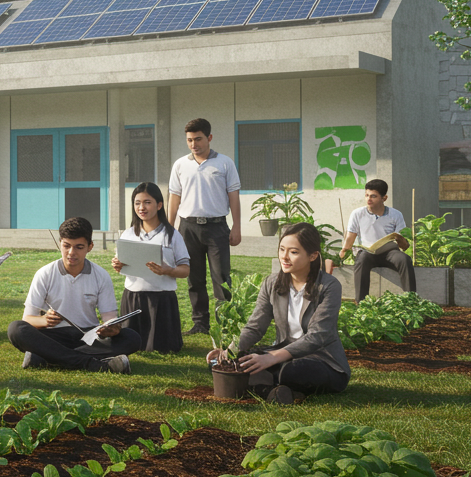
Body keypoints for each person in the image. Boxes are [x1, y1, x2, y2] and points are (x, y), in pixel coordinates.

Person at [207, 222, 350, 404]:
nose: (285, 257)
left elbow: (317, 336)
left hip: (320, 360)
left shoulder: (329, 286)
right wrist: (230, 352)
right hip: (280, 355)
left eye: (294, 252)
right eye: (282, 249)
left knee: (291, 371)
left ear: (313, 255)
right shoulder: (272, 283)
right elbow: (255, 327)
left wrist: (271, 358)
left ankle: (264, 386)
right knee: (231, 363)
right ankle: (274, 392)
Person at [8, 217, 141, 373]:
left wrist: (112, 328)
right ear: (60, 244)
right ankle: (94, 364)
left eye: (79, 247)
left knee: (131, 338)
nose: (71, 253)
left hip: (88, 336)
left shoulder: (101, 275)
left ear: (89, 247)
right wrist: (44, 320)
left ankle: (47, 357)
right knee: (16, 328)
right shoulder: (44, 274)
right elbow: (28, 319)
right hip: (53, 336)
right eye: (66, 246)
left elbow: (109, 316)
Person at [166, 118, 242, 335]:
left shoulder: (225, 163)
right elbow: (174, 197)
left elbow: (233, 197)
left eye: (198, 139)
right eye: (189, 140)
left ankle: (224, 324)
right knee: (194, 278)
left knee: (221, 278)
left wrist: (236, 227)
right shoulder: (180, 165)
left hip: (217, 228)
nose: (193, 144)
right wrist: (170, 229)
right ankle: (200, 323)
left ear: (209, 138)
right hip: (187, 228)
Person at [111, 182, 191, 353]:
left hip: (162, 300)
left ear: (159, 205)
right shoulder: (128, 234)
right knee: (130, 345)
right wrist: (117, 265)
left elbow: (185, 270)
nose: (141, 207)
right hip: (133, 297)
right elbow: (121, 266)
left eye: (147, 202)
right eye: (137, 203)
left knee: (165, 347)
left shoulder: (172, 235)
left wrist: (167, 270)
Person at [340, 179, 416, 301]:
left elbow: (405, 246)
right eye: (367, 195)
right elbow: (350, 236)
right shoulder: (357, 214)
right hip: (368, 253)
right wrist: (343, 251)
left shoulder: (396, 215)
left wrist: (398, 237)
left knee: (404, 259)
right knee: (362, 258)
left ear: (384, 198)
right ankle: (361, 303)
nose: (368, 199)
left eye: (373, 196)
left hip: (390, 253)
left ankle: (411, 300)